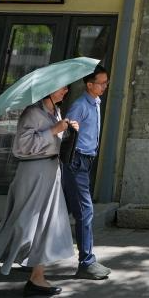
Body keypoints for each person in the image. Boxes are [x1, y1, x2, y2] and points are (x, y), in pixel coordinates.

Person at [0, 86, 79, 298]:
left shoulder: (55, 111)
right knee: (19, 225)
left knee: (46, 226)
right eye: (61, 87)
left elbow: (54, 142)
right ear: (49, 89)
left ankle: (37, 278)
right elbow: (22, 146)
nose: (65, 90)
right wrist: (54, 130)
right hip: (33, 173)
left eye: (66, 87)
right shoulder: (32, 112)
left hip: (51, 172)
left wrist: (69, 130)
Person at [61, 64, 112, 280]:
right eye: (101, 83)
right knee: (85, 211)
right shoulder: (80, 105)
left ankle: (32, 257)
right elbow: (66, 135)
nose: (105, 86)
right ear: (89, 85)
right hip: (76, 161)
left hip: (87, 161)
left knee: (59, 210)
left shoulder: (96, 102)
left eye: (106, 82)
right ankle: (86, 262)